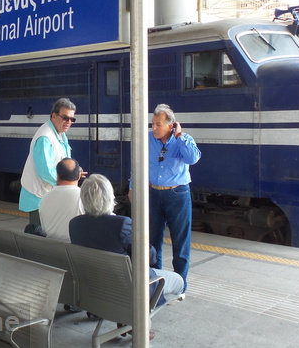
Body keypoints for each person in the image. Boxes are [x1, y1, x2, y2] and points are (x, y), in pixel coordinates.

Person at [69, 174, 184, 306]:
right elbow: (150, 258)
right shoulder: (122, 224)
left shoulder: (74, 224)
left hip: (95, 289)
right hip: (129, 291)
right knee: (178, 281)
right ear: (110, 198)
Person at [147, 103, 200, 293]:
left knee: (180, 241)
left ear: (171, 125)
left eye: (158, 124)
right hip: (153, 193)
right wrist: (131, 185)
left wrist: (180, 136)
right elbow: (137, 162)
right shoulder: (148, 140)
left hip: (177, 194)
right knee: (153, 242)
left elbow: (193, 158)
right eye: (152, 124)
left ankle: (180, 286)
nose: (154, 128)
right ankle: (156, 284)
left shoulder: (183, 140)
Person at [19, 98, 77, 229]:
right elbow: (45, 171)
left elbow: (66, 160)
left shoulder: (61, 134)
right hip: (39, 197)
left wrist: (73, 173)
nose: (68, 122)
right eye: (65, 118)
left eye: (72, 119)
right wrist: (68, 182)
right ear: (54, 115)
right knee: (39, 234)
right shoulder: (45, 137)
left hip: (49, 195)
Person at [38, 158, 84, 242]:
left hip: (51, 249)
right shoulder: (84, 197)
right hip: (76, 250)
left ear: (57, 176)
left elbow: (44, 229)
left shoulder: (44, 198)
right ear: (78, 176)